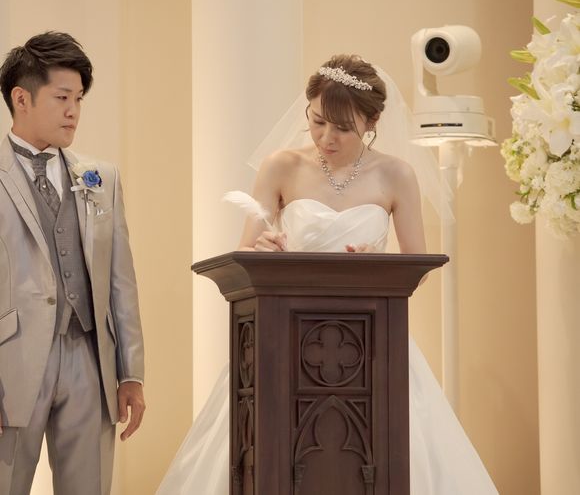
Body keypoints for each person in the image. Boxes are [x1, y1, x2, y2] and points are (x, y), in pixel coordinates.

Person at [157, 55, 497, 494]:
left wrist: (378, 264)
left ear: (372, 121)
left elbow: (418, 266)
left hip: (372, 340)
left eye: (342, 127)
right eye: (317, 122)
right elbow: (246, 250)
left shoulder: (397, 174)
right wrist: (264, 247)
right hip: (284, 335)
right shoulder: (281, 166)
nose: (326, 138)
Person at [0, 32, 145, 495]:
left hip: (89, 357)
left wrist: (130, 372)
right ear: (21, 99)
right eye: (62, 98)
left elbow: (121, 281)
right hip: (11, 361)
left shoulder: (101, 178)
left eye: (78, 99)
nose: (73, 111)